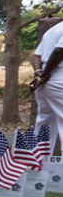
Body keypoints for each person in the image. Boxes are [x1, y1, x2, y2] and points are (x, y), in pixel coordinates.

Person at [31, 23, 63, 155]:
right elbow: (59, 51)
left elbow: (36, 56)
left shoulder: (53, 30)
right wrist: (44, 75)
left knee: (44, 123)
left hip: (45, 83)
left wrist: (40, 74)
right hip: (58, 79)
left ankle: (35, 166)